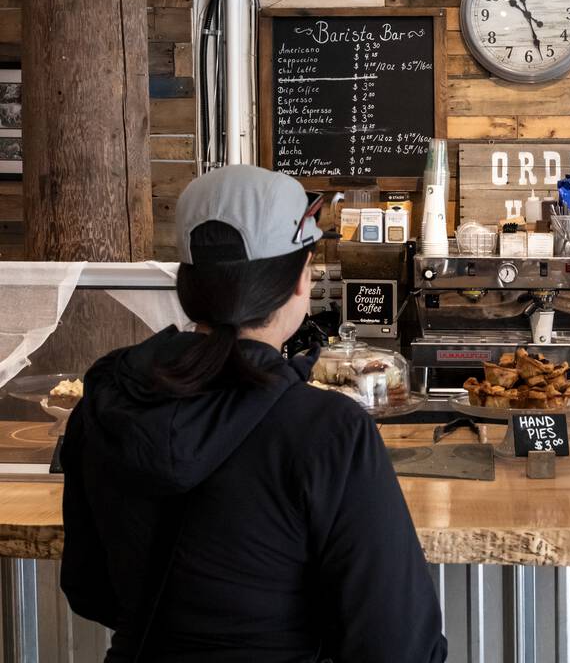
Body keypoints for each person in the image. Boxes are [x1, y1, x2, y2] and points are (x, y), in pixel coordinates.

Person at [60, 165, 447, 663]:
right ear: (300, 281)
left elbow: (90, 590)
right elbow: (399, 647)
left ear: (189, 283)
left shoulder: (107, 400)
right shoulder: (329, 429)